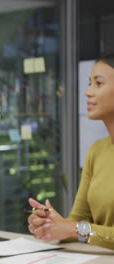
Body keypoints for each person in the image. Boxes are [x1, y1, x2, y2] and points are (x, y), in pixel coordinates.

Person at [27, 53, 114, 250]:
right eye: (89, 83)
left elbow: (78, 228)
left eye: (98, 84)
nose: (88, 92)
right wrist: (51, 224)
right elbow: (77, 221)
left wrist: (74, 229)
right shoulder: (97, 151)